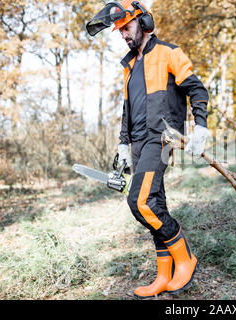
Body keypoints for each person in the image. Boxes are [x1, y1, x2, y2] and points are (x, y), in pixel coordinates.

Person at [86, 0, 209, 299]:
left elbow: (197, 89)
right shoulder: (129, 65)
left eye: (126, 28)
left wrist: (200, 126)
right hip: (139, 142)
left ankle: (185, 258)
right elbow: (128, 109)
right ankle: (164, 275)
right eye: (119, 32)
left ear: (144, 22)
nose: (124, 36)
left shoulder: (168, 52)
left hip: (163, 138)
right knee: (155, 205)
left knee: (139, 202)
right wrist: (123, 143)